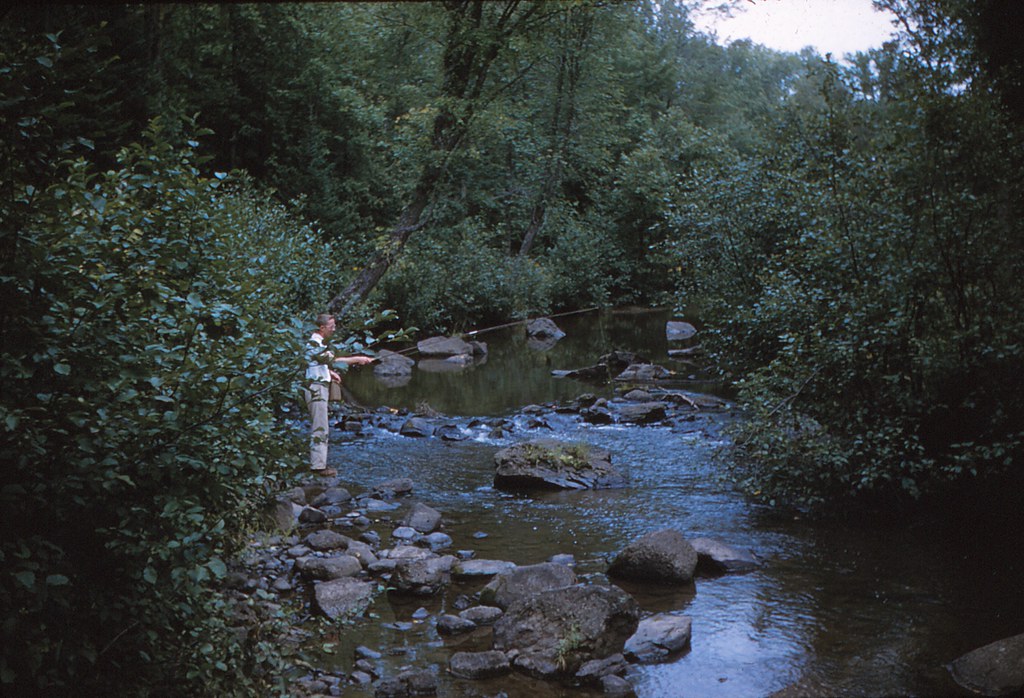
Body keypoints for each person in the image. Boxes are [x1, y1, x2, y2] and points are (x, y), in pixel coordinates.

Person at [303, 313, 374, 476]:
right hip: (316, 388)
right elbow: (333, 360)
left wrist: (329, 372)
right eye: (331, 326)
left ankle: (318, 464)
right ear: (322, 328)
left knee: (321, 425)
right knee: (320, 426)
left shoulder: (316, 343)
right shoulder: (315, 344)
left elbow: (317, 363)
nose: (334, 329)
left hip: (317, 385)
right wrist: (358, 359)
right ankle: (318, 467)